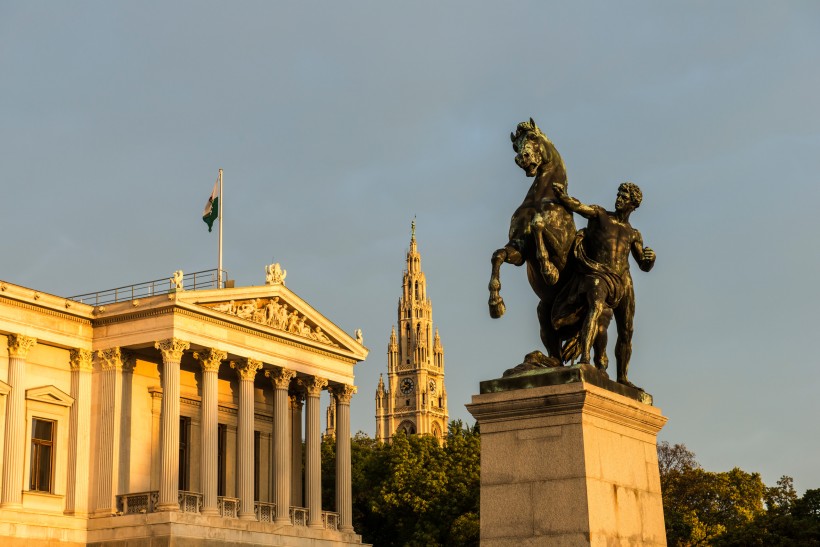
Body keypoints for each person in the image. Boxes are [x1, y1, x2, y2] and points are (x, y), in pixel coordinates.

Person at [551, 180, 655, 388]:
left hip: (623, 281)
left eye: (625, 197)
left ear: (633, 205)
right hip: (598, 273)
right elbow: (579, 207)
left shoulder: (633, 234)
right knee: (596, 308)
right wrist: (563, 197)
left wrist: (650, 259)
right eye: (619, 194)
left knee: (627, 329)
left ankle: (623, 377)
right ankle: (585, 360)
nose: (619, 199)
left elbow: (642, 264)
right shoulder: (600, 215)